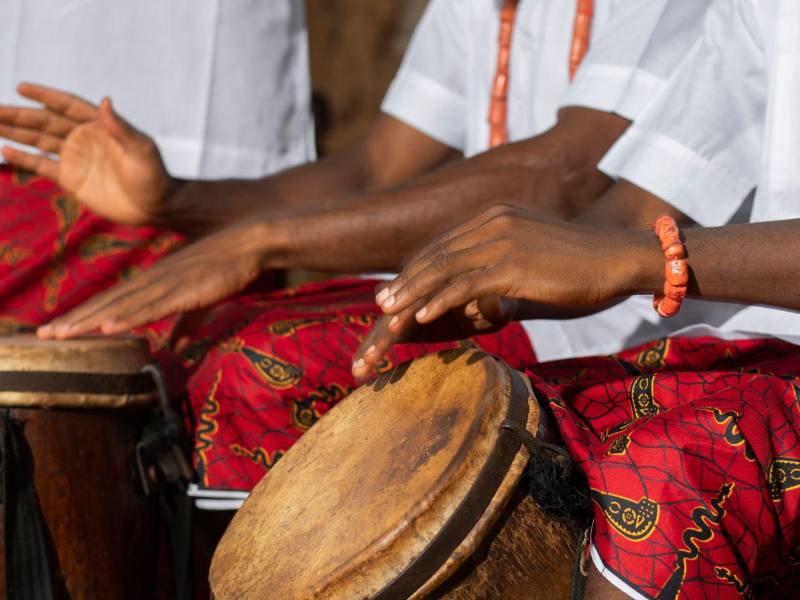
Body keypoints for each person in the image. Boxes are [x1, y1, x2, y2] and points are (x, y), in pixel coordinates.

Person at [0, 1, 714, 503]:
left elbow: (559, 175)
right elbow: (375, 167)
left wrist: (259, 240)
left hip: (619, 322)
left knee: (256, 371)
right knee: (180, 343)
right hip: (501, 304)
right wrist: (175, 200)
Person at [355, 0, 800, 596]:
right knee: (464, 422)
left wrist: (633, 259)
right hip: (763, 346)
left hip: (763, 358)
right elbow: (649, 199)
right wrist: (509, 288)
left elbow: (567, 176)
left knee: (665, 480)